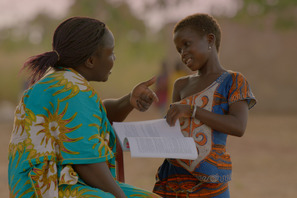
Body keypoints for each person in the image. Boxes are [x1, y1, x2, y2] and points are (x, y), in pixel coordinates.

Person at [8, 17, 161, 198]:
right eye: (111, 52)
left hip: (40, 184)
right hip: (48, 188)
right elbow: (87, 162)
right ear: (90, 60)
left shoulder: (60, 79)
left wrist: (128, 100)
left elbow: (95, 116)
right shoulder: (72, 89)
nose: (115, 58)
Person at [153, 13, 257, 197]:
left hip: (210, 186)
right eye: (179, 50)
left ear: (210, 40)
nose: (183, 53)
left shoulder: (233, 81)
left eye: (187, 44)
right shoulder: (181, 85)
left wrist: (193, 110)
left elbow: (238, 126)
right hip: (174, 181)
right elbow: (173, 129)